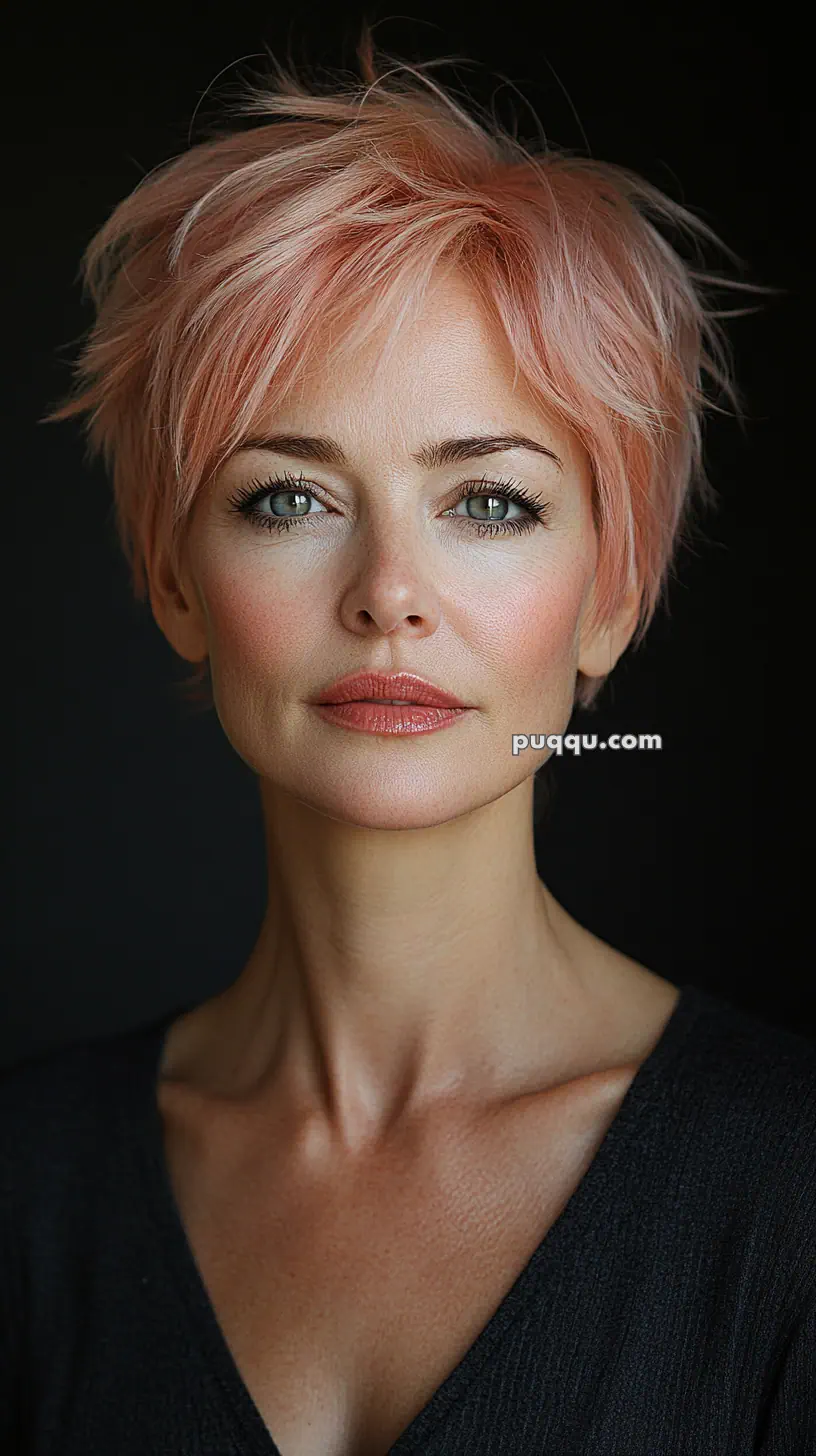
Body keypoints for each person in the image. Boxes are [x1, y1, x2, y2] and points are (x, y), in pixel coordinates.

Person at [3, 24, 813, 1456]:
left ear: (609, 596)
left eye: (488, 502)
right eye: (288, 498)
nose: (388, 593)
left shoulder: (786, 1186)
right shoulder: (28, 1186)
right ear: (174, 579)